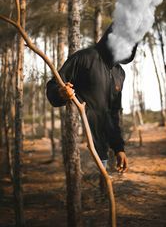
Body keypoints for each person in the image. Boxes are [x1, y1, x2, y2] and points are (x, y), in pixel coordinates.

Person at [46, 24, 137, 173]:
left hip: (103, 151)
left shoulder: (119, 73)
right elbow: (53, 87)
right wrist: (62, 93)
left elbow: (113, 113)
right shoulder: (84, 58)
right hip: (80, 148)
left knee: (103, 190)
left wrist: (119, 148)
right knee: (86, 192)